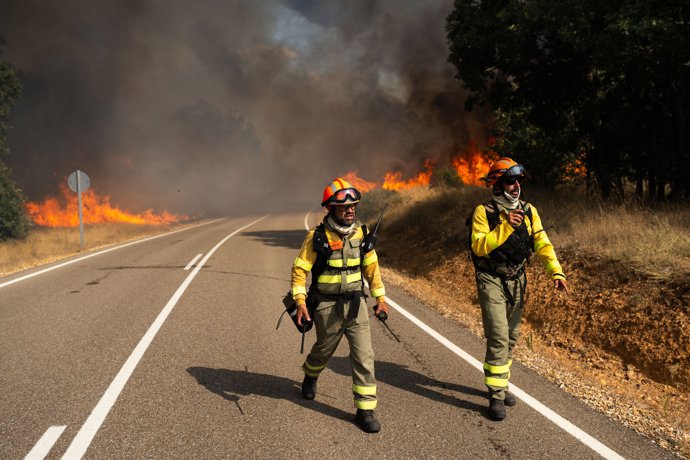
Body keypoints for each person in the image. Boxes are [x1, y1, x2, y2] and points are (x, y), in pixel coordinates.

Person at [469, 157, 569, 421]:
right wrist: (505, 226)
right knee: (499, 336)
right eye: (510, 181)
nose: (516, 187)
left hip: (517, 280)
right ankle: (496, 395)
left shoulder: (529, 210)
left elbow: (542, 243)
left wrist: (555, 271)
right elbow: (479, 246)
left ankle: (502, 382)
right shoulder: (484, 212)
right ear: (497, 184)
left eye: (519, 181)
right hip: (491, 279)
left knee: (511, 337)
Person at [290, 177, 389, 433]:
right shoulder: (317, 237)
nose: (350, 210)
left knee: (364, 356)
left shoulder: (362, 233)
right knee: (322, 351)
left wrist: (380, 299)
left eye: (353, 206)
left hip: (356, 305)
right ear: (330, 208)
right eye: (344, 206)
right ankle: (311, 374)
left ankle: (365, 410)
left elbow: (372, 269)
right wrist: (300, 302)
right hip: (326, 307)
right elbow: (299, 272)